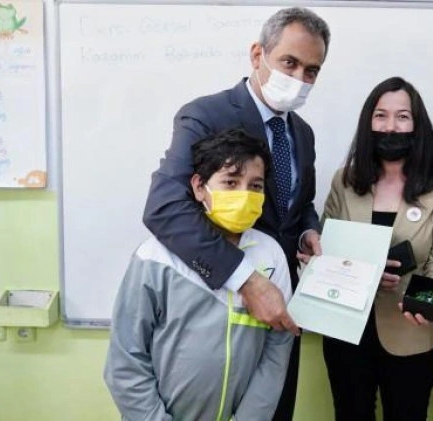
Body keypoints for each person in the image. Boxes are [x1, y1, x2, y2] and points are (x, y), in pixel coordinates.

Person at [141, 7, 330, 419]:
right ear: (257, 54)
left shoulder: (303, 133)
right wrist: (247, 280)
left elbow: (299, 206)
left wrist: (307, 232)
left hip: (280, 309)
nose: (299, 78)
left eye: (312, 70)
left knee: (273, 408)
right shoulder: (206, 115)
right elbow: (165, 208)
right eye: (289, 63)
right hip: (212, 311)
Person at [105, 128, 293, 420]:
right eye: (230, 182)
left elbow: (275, 355)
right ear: (199, 187)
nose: (244, 194)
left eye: (255, 186)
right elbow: (125, 361)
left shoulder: (271, 255)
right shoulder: (155, 256)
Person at [320, 76, 433, 421]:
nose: (391, 126)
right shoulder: (345, 180)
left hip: (411, 331)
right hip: (345, 331)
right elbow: (325, 250)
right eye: (381, 116)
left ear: (417, 124)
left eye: (402, 116)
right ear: (368, 122)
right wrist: (362, 272)